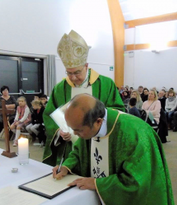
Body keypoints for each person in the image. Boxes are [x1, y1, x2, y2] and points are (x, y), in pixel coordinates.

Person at [53, 94, 177, 205]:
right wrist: (68, 166)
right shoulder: (90, 125)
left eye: (78, 130)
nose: (75, 134)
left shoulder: (134, 134)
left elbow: (137, 183)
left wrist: (98, 184)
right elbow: (81, 150)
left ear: (98, 122)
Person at [43, 30, 124, 166]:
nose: (74, 77)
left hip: (98, 141)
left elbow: (117, 111)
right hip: (70, 146)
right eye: (69, 73)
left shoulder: (105, 84)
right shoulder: (60, 88)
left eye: (77, 72)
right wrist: (59, 132)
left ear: (86, 66)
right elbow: (49, 115)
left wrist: (96, 126)